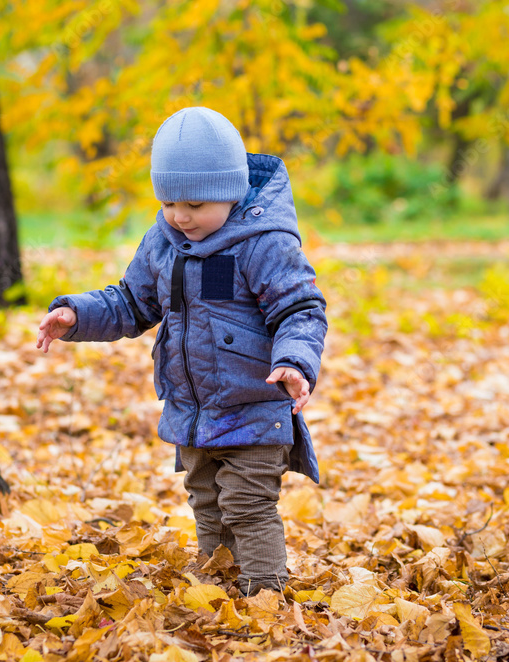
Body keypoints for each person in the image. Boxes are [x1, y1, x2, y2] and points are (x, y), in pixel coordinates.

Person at [37, 106, 327, 596]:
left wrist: (294, 361)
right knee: (208, 501)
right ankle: (219, 584)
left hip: (254, 408)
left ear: (231, 193)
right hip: (193, 412)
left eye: (195, 203)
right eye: (169, 201)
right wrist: (77, 315)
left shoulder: (262, 245)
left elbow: (300, 308)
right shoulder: (163, 242)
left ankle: (267, 595)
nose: (180, 215)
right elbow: (131, 301)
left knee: (248, 504)